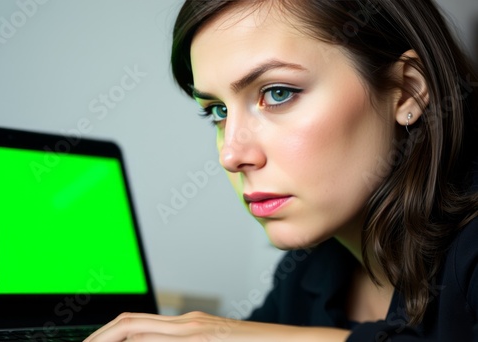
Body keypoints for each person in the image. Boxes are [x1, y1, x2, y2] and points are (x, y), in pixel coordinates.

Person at [85, 0, 478, 340]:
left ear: (406, 90)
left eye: (278, 93)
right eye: (217, 112)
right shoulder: (311, 270)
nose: (231, 155)